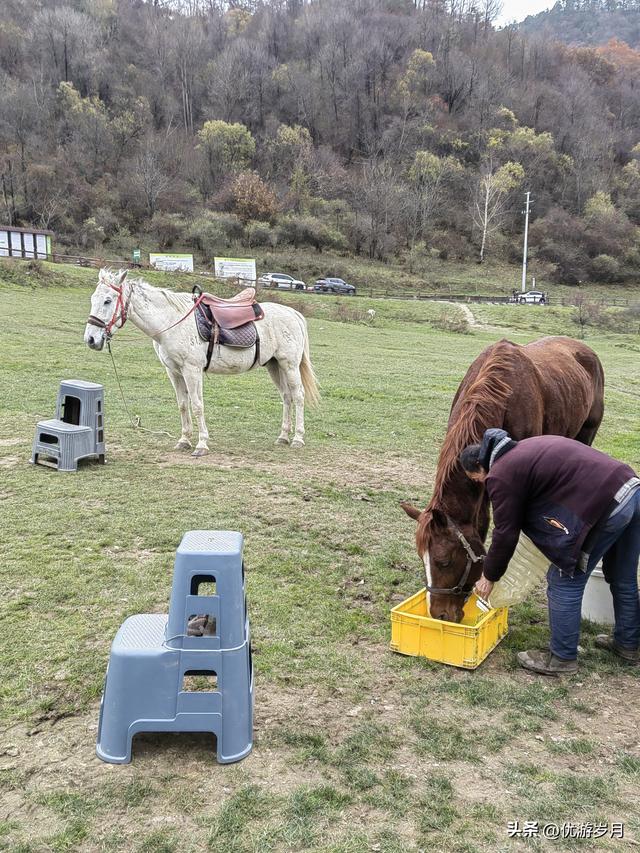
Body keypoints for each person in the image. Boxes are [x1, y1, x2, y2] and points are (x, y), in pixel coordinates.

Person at [459, 428, 640, 675]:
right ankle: (627, 644)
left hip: (606, 506)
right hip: (632, 489)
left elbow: (505, 533)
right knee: (623, 577)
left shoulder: (500, 473)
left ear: (481, 465)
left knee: (564, 580)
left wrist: (489, 576)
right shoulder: (526, 448)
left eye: (476, 479)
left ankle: (562, 658)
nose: (481, 484)